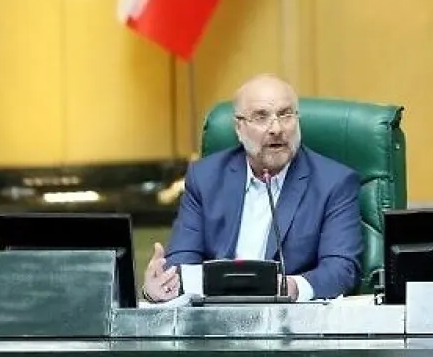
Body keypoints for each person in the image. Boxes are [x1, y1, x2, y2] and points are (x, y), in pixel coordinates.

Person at [141, 74, 362, 302]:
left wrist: (294, 287)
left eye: (286, 114)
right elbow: (183, 260)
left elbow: (342, 267)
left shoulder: (334, 182)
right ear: (239, 127)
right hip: (217, 318)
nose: (276, 128)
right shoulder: (205, 177)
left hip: (289, 321)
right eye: (261, 117)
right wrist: (161, 286)